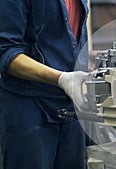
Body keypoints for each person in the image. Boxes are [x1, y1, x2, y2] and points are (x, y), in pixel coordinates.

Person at [0, 0, 91, 169]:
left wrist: (88, 60)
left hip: (70, 107)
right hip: (30, 110)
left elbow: (59, 38)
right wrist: (61, 78)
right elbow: (7, 53)